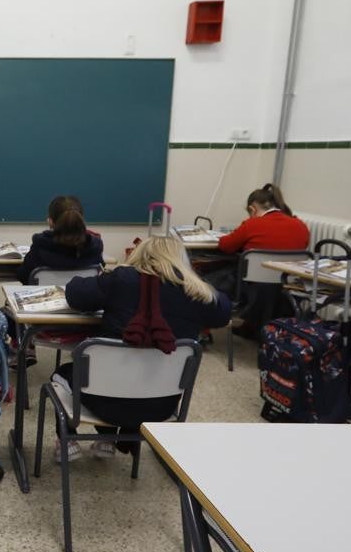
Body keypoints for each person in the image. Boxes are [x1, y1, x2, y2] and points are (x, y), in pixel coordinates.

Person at [60, 236, 231, 460]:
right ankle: (107, 439)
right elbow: (224, 313)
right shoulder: (196, 291)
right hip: (161, 405)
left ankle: (68, 440)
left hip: (103, 400)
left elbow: (75, 294)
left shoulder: (122, 279)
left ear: (140, 254)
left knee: (65, 373)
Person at [212, 183, 311, 335]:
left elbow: (225, 246)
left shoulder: (252, 224)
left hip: (254, 284)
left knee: (215, 276)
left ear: (252, 209)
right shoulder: (300, 225)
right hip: (289, 283)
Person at [16, 195, 104, 285]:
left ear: (50, 221)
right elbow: (100, 274)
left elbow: (23, 276)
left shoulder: (40, 247)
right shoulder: (94, 248)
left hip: (47, 294)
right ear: (80, 219)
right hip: (82, 294)